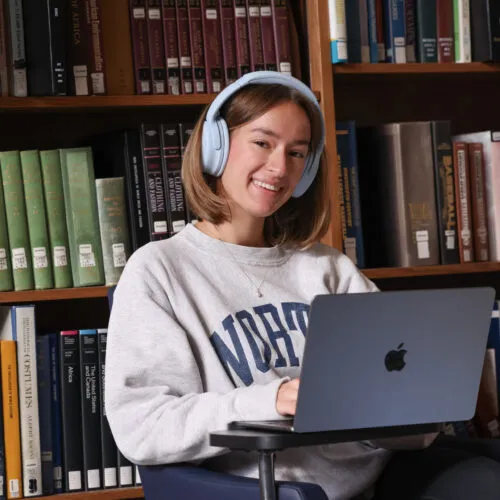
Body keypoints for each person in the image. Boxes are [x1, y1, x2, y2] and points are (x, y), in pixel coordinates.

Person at [105, 71, 500, 500]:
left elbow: (393, 392)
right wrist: (271, 401)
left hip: (375, 476)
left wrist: (422, 411)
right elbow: (142, 426)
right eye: (262, 143)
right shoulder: (160, 270)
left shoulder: (326, 267)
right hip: (262, 489)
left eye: (297, 153)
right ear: (216, 146)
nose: (279, 168)